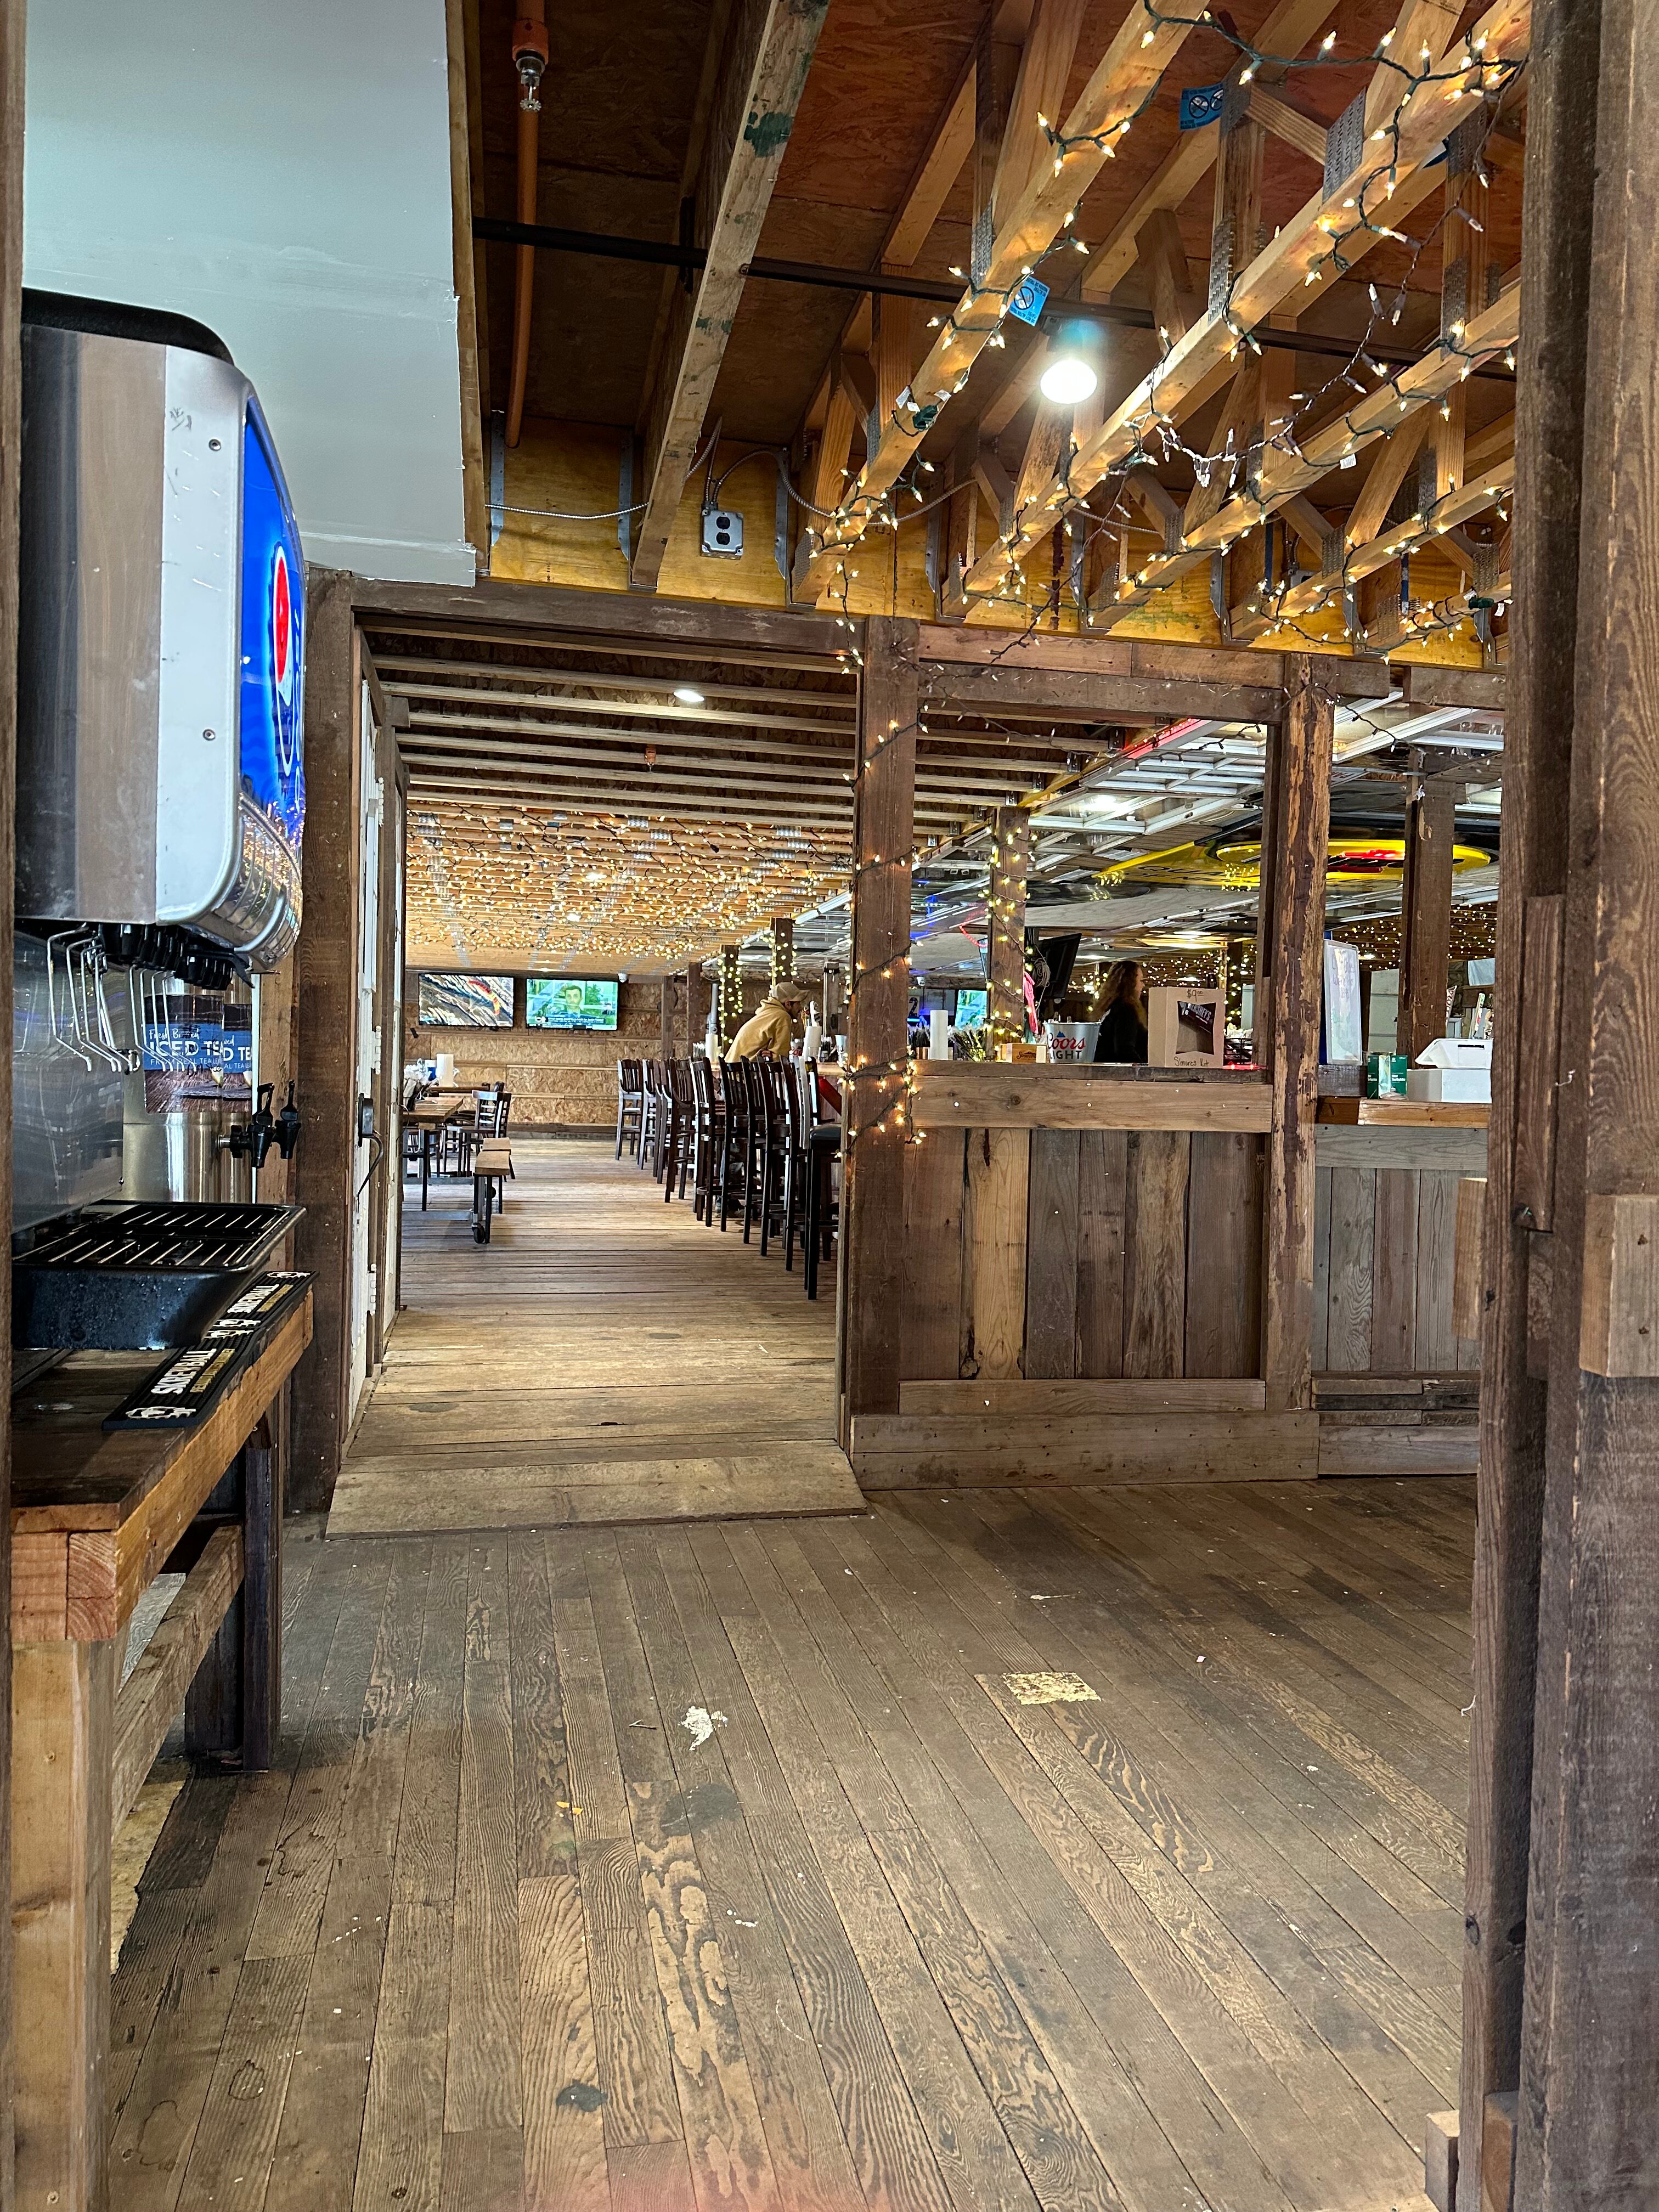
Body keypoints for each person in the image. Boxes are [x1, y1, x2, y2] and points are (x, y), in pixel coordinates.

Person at [725, 978, 805, 1060]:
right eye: (798, 1003)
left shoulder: (767, 1013)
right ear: (788, 1004)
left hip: (732, 1066)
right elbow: (781, 1059)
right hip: (744, 1067)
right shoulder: (782, 1016)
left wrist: (772, 1056)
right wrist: (774, 1057)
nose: (801, 1008)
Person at [1093, 959, 1148, 1063]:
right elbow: (1125, 1049)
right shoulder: (1126, 1010)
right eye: (1141, 981)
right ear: (1130, 982)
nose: (1143, 986)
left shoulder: (1110, 1007)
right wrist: (1144, 1069)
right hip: (1118, 1071)